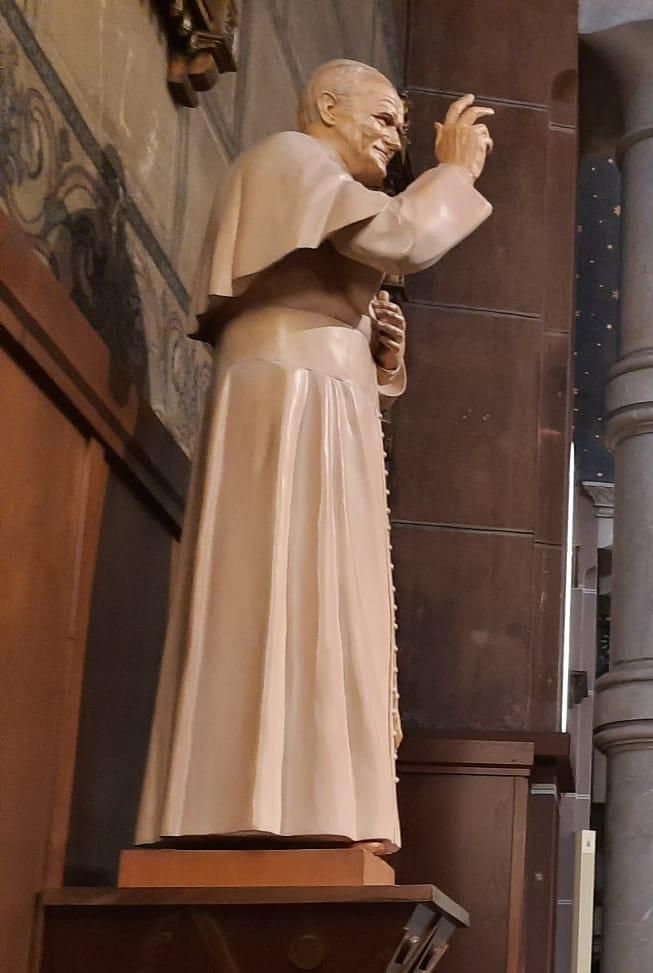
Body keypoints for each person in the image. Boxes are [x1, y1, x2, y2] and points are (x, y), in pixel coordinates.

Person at [139, 64, 494, 854]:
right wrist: (455, 172)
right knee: (282, 583)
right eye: (386, 117)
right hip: (288, 391)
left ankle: (317, 798)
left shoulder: (315, 182)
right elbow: (401, 235)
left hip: (320, 385)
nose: (396, 136)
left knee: (327, 594)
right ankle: (259, 799)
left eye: (401, 125)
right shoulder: (291, 159)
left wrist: (372, 353)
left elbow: (337, 276)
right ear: (326, 107)